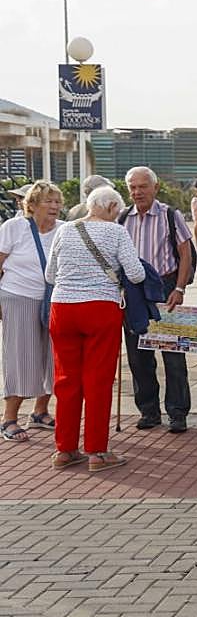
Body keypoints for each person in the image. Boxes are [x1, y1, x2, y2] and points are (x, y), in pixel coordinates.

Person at [46, 185, 145, 472]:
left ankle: (64, 449)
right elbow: (136, 273)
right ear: (113, 207)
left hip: (62, 307)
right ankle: (97, 452)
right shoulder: (116, 232)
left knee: (66, 379)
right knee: (98, 379)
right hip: (100, 307)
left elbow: (50, 275)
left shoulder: (65, 230)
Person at [120, 167, 194, 433]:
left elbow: (185, 254)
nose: (137, 192)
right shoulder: (122, 218)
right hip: (133, 291)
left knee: (173, 355)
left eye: (143, 186)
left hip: (164, 287)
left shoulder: (170, 215)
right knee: (138, 356)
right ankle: (148, 411)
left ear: (155, 187)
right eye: (133, 187)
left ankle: (177, 412)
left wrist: (180, 287)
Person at [0, 180, 63, 442]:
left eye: (58, 202)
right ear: (32, 204)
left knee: (51, 357)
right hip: (18, 296)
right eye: (48, 201)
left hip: (54, 300)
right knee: (21, 357)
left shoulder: (64, 230)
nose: (54, 206)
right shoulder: (14, 227)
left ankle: (40, 412)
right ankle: (8, 419)